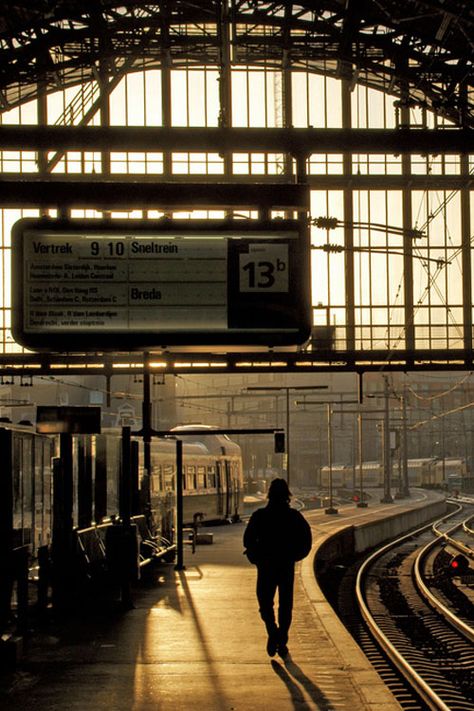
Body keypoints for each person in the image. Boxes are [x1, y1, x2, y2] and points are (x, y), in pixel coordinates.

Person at [243, 478, 312, 658]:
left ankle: (273, 632)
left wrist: (256, 556)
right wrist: (295, 556)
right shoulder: (294, 517)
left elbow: (248, 540)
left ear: (269, 495)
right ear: (287, 495)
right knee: (285, 605)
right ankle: (281, 638)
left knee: (265, 603)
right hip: (286, 566)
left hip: (265, 567)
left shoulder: (259, 516)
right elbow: (306, 541)